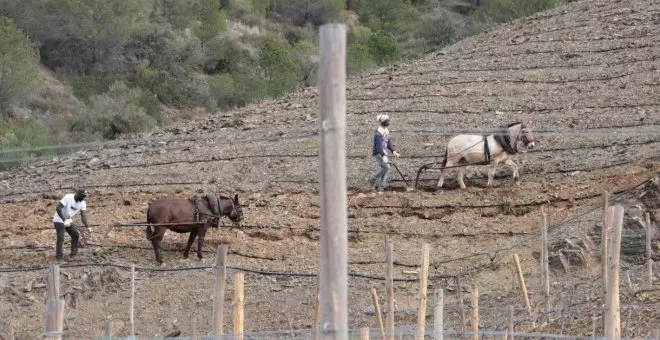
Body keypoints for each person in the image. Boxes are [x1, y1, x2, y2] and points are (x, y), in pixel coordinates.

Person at [52, 188, 91, 260]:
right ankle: (59, 256)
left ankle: (73, 255)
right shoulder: (68, 197)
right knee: (61, 237)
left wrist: (88, 226)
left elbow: (83, 216)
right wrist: (64, 220)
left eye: (85, 196)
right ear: (78, 194)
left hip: (68, 219)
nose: (83, 198)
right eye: (82, 196)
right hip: (59, 218)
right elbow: (58, 208)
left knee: (75, 234)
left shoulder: (82, 203)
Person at [369, 114, 400, 192]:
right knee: (386, 167)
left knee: (385, 169)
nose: (388, 122)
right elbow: (379, 147)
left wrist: (394, 151)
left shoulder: (386, 131)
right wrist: (383, 156)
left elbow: (388, 142)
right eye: (386, 121)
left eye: (388, 120)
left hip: (383, 151)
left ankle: (381, 186)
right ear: (382, 122)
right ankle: (373, 180)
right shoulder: (378, 134)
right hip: (378, 152)